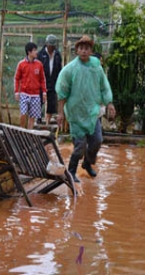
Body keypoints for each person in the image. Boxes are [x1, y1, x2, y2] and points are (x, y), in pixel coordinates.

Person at [55, 35, 116, 181]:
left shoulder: (96, 67)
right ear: (77, 50)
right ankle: (71, 172)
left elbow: (104, 86)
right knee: (80, 147)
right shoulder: (70, 69)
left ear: (91, 51)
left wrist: (109, 103)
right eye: (81, 48)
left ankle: (87, 164)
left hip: (92, 113)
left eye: (87, 48)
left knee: (97, 141)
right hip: (76, 114)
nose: (84, 51)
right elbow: (62, 91)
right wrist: (60, 113)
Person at [14, 42, 47, 129]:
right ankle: (21, 130)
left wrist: (44, 92)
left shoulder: (39, 65)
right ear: (29, 52)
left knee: (32, 116)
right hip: (24, 93)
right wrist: (16, 92)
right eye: (34, 50)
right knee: (23, 113)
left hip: (36, 94)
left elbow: (42, 79)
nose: (36, 52)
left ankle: (29, 133)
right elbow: (17, 79)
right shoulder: (21, 64)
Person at [37, 34, 62, 125]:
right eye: (50, 45)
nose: (52, 48)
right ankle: (38, 118)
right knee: (39, 101)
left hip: (53, 82)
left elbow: (59, 69)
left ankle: (47, 121)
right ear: (46, 44)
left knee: (51, 103)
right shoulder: (41, 54)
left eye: (53, 46)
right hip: (42, 82)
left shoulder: (57, 55)